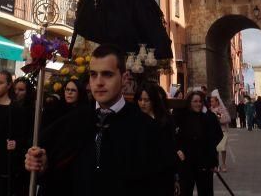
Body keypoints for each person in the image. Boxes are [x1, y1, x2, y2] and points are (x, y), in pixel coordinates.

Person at [26, 44, 161, 195]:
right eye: (93, 74)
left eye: (107, 74)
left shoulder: (147, 128)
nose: (99, 82)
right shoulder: (74, 120)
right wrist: (44, 164)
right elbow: (58, 172)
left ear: (123, 78)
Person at [175, 90, 222, 196]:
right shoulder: (182, 117)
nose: (198, 104)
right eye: (195, 101)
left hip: (204, 162)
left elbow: (217, 135)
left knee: (205, 191)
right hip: (186, 162)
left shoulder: (208, 117)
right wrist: (178, 149)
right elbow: (174, 136)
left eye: (200, 101)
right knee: (186, 190)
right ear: (189, 103)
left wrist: (212, 158)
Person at [136, 83, 177, 195]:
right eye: (140, 100)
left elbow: (171, 146)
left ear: (153, 100)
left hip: (164, 172)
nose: (142, 103)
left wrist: (175, 176)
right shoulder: (135, 120)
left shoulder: (165, 119)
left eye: (146, 100)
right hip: (143, 174)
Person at [209, 93, 229, 171]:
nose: (211, 103)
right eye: (211, 101)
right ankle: (216, 165)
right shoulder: (210, 110)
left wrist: (219, 119)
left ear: (217, 102)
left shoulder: (222, 109)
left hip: (223, 131)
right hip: (214, 132)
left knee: (223, 148)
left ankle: (224, 164)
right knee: (216, 149)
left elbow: (227, 119)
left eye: (213, 101)